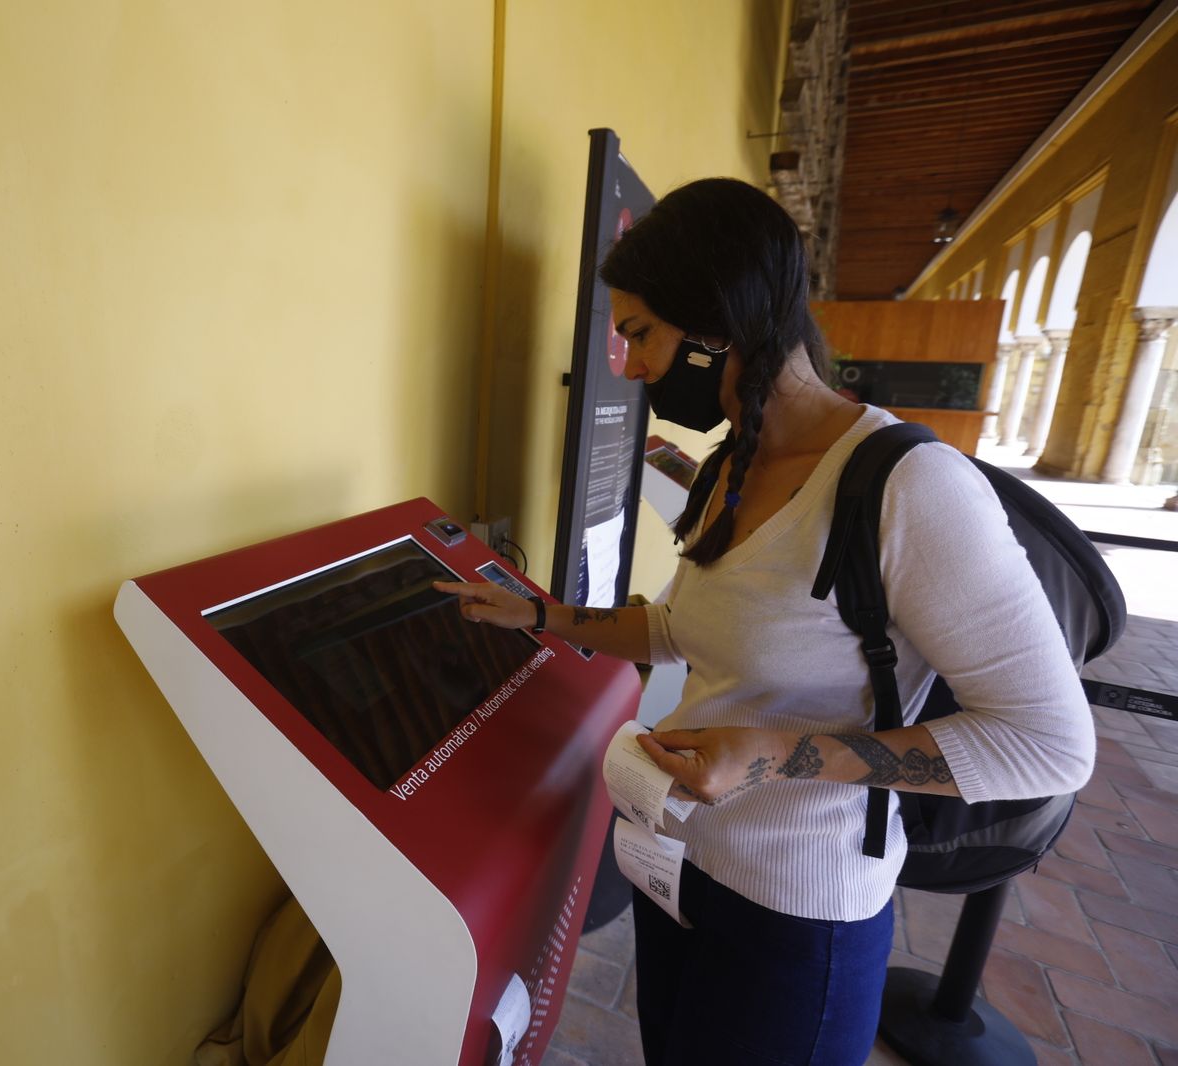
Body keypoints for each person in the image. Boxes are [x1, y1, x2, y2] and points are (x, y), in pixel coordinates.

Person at [435, 178, 1094, 1066]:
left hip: (801, 918)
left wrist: (781, 754)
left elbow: (1051, 744)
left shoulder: (908, 486)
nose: (625, 365)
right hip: (687, 870)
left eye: (638, 334)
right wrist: (543, 614)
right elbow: (677, 631)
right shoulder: (730, 470)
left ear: (718, 328)